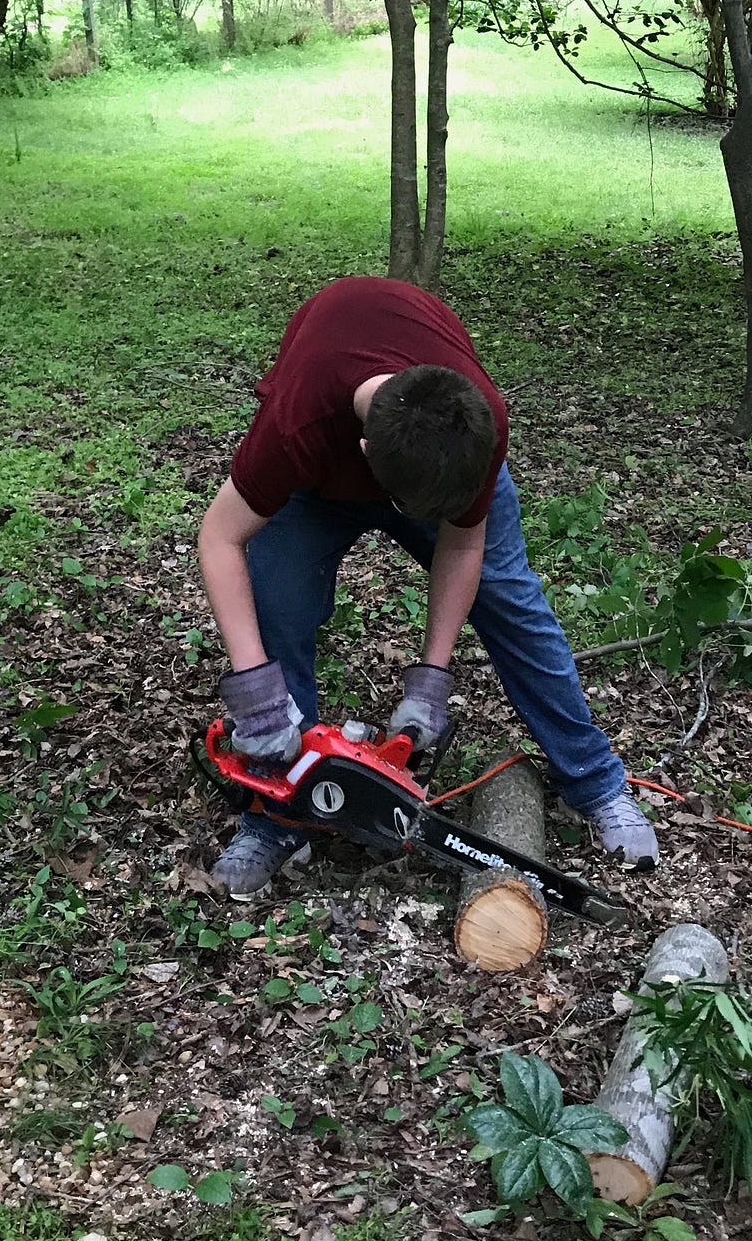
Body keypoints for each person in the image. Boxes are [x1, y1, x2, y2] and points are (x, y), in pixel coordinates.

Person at [196, 275, 659, 897]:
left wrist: (431, 684)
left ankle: (597, 782)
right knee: (277, 603)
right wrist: (257, 698)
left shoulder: (477, 426)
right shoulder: (296, 425)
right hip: (318, 480)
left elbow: (463, 545)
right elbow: (219, 538)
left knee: (510, 601)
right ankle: (277, 813)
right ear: (364, 450)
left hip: (437, 463)